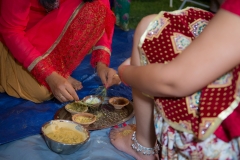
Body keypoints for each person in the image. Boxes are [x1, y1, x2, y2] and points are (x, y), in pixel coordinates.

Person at [109, 0, 240, 159]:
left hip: (227, 133)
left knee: (148, 27)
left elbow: (174, 82)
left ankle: (143, 145)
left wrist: (126, 72)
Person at [0, 0, 121, 103]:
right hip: (13, 37)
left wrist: (102, 64)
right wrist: (48, 75)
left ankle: (57, 67)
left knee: (94, 8)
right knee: (42, 91)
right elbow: (11, 31)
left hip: (48, 30)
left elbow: (101, 7)